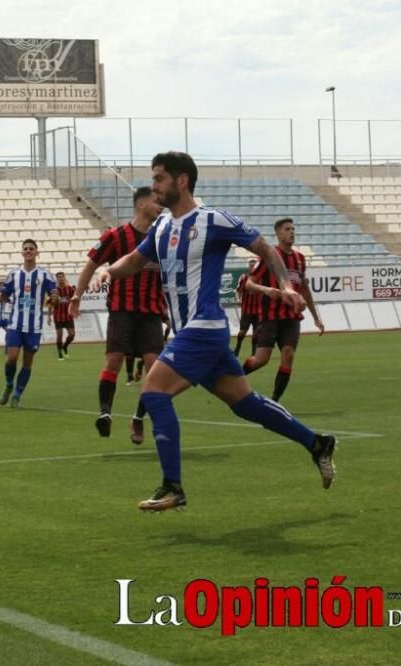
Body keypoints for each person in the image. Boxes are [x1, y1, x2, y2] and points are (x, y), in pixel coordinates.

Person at [93, 151, 337, 512]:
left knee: (153, 390)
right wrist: (108, 272)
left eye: (159, 178)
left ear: (181, 181)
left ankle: (173, 486)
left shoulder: (213, 220)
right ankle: (317, 443)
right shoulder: (161, 227)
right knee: (246, 404)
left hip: (204, 327)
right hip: (191, 332)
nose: (154, 186)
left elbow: (265, 249)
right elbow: (134, 260)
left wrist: (285, 286)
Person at [70, 186, 166, 446]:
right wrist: (77, 295)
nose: (161, 207)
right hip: (122, 309)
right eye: (157, 202)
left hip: (151, 312)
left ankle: (138, 416)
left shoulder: (163, 238)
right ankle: (105, 412)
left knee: (154, 368)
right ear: (141, 204)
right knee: (113, 360)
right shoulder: (116, 235)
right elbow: (91, 263)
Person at [241, 218, 324, 402]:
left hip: (291, 316)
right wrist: (267, 290)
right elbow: (249, 284)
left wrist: (316, 317)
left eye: (293, 229)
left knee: (288, 354)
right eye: (287, 229)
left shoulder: (300, 259)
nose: (292, 232)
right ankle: (234, 376)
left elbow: (304, 288)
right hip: (269, 315)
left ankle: (275, 401)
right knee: (261, 360)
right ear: (278, 234)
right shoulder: (269, 257)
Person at [0, 239, 57, 409]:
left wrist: (55, 297)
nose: (28, 251)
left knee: (27, 363)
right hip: (15, 324)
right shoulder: (14, 275)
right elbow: (4, 295)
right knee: (12, 357)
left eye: (31, 249)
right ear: (22, 253)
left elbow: (53, 296)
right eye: (26, 249)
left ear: (37, 253)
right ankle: (8, 384)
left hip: (34, 327)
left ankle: (17, 395)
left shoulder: (45, 275)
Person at [233, 258, 260, 357]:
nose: (252, 268)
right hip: (247, 309)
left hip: (258, 310)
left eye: (254, 266)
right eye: (251, 266)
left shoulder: (261, 278)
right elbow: (238, 291)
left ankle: (254, 352)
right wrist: (238, 299)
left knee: (256, 332)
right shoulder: (244, 278)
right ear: (248, 268)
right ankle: (238, 345)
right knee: (242, 332)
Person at [49, 271, 76, 360]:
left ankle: (65, 346)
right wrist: (48, 317)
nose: (61, 278)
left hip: (68, 315)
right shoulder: (54, 290)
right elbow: (50, 304)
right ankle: (60, 354)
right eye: (59, 277)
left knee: (72, 335)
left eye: (62, 277)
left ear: (64, 278)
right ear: (56, 279)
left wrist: (75, 309)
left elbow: (74, 300)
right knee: (59, 336)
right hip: (58, 316)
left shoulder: (70, 289)